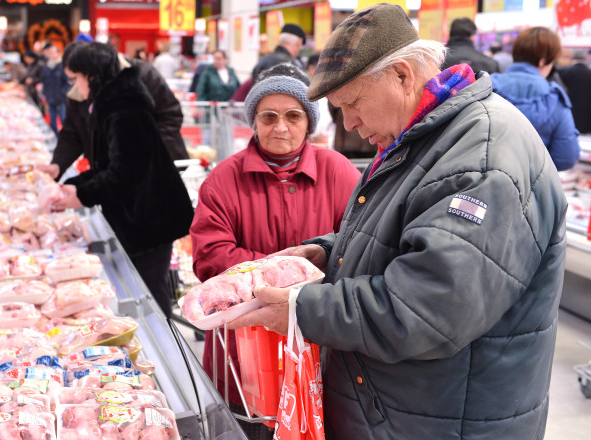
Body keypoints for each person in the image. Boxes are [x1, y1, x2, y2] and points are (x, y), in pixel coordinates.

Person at [230, 4, 567, 439]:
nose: (348, 123)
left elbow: (429, 306)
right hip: (401, 412)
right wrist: (330, 252)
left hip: (444, 422)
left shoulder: (481, 159)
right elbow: (407, 232)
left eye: (352, 103)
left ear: (403, 75)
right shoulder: (425, 135)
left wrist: (300, 310)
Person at [191, 63, 360, 438]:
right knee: (246, 428)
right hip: (241, 353)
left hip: (318, 342)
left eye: (293, 116)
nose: (280, 127)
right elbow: (209, 258)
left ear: (309, 123)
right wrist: (285, 274)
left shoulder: (340, 172)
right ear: (253, 121)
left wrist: (270, 276)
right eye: (268, 116)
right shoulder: (223, 179)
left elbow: (358, 249)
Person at [49, 43, 194, 317]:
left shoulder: (123, 109)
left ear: (91, 74)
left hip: (151, 216)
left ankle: (168, 352)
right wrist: (75, 186)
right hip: (140, 212)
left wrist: (81, 195)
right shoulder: (113, 102)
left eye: (75, 78)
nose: (74, 87)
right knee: (142, 285)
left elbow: (125, 171)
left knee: (151, 292)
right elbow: (111, 164)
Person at [44, 42, 188, 183]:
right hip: (114, 176)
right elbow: (72, 134)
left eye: (75, 78)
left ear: (91, 73)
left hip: (157, 170)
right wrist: (58, 164)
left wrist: (146, 152)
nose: (74, 84)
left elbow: (170, 114)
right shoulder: (79, 93)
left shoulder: (141, 76)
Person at [491, 26, 580, 171]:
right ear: (543, 61)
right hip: (532, 187)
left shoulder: (487, 86)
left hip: (484, 185)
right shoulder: (555, 99)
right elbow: (566, 157)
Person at [39, 42, 70, 135]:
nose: (51, 54)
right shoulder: (47, 66)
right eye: (50, 52)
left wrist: (63, 93)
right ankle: (55, 137)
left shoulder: (63, 66)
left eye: (53, 52)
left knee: (63, 119)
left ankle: (66, 139)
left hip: (61, 98)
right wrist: (45, 93)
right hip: (50, 98)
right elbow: (44, 80)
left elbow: (68, 82)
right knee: (52, 120)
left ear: (58, 53)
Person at [559, 49, 591, 134]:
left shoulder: (564, 72)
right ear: (585, 57)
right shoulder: (589, 73)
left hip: (570, 117)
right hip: (587, 119)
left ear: (572, 57)